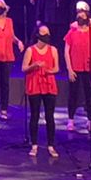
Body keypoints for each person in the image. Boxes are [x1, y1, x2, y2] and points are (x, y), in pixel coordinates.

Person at [23, 23, 62, 158]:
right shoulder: (30, 50)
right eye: (43, 33)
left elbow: (57, 68)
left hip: (49, 84)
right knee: (34, 115)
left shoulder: (53, 50)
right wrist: (34, 65)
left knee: (49, 116)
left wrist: (50, 71)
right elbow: (24, 68)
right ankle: (34, 145)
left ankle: (51, 145)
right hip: (35, 84)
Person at [63, 2, 91, 134]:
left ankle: (90, 120)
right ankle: (70, 120)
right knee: (73, 94)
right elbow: (66, 50)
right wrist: (69, 68)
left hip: (89, 67)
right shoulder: (73, 29)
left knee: (89, 94)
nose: (80, 14)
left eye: (82, 11)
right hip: (75, 67)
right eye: (78, 11)